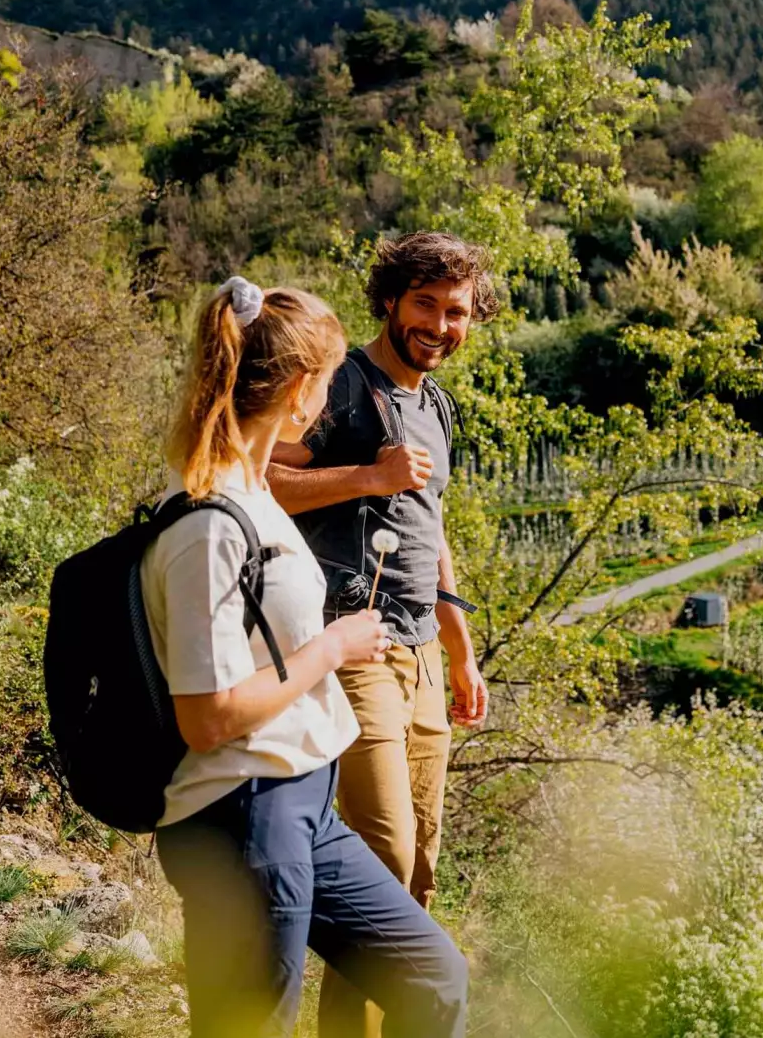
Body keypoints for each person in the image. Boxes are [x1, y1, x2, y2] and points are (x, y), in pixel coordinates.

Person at [146, 276, 469, 1038]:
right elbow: (208, 717)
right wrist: (334, 645)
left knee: (434, 979)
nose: (330, 400)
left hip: (303, 803)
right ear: (299, 390)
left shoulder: (251, 494)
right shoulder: (207, 520)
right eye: (326, 383)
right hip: (241, 816)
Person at [269, 232, 494, 1038]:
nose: (439, 323)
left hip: (423, 655)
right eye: (424, 304)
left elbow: (430, 528)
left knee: (419, 869)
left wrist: (459, 646)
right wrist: (368, 475)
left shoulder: (435, 405)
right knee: (383, 858)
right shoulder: (344, 387)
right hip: (351, 645)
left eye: (456, 310)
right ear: (391, 301)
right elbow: (257, 478)